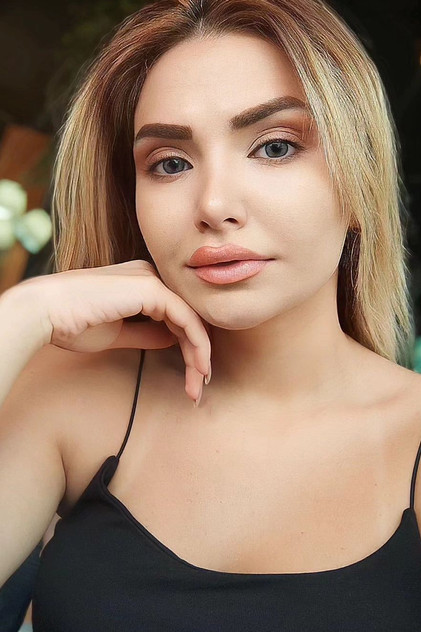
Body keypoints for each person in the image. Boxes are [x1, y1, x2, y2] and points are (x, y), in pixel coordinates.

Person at [0, 0, 420, 629]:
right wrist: (20, 315)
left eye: (275, 147)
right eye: (170, 163)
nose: (214, 204)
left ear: (360, 176)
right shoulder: (71, 399)